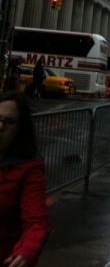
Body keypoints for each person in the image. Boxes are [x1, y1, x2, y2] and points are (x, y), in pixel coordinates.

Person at [0, 90, 49, 266]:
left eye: (9, 122)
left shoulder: (29, 168)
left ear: (20, 129)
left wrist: (26, 251)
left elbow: (36, 222)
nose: (1, 127)